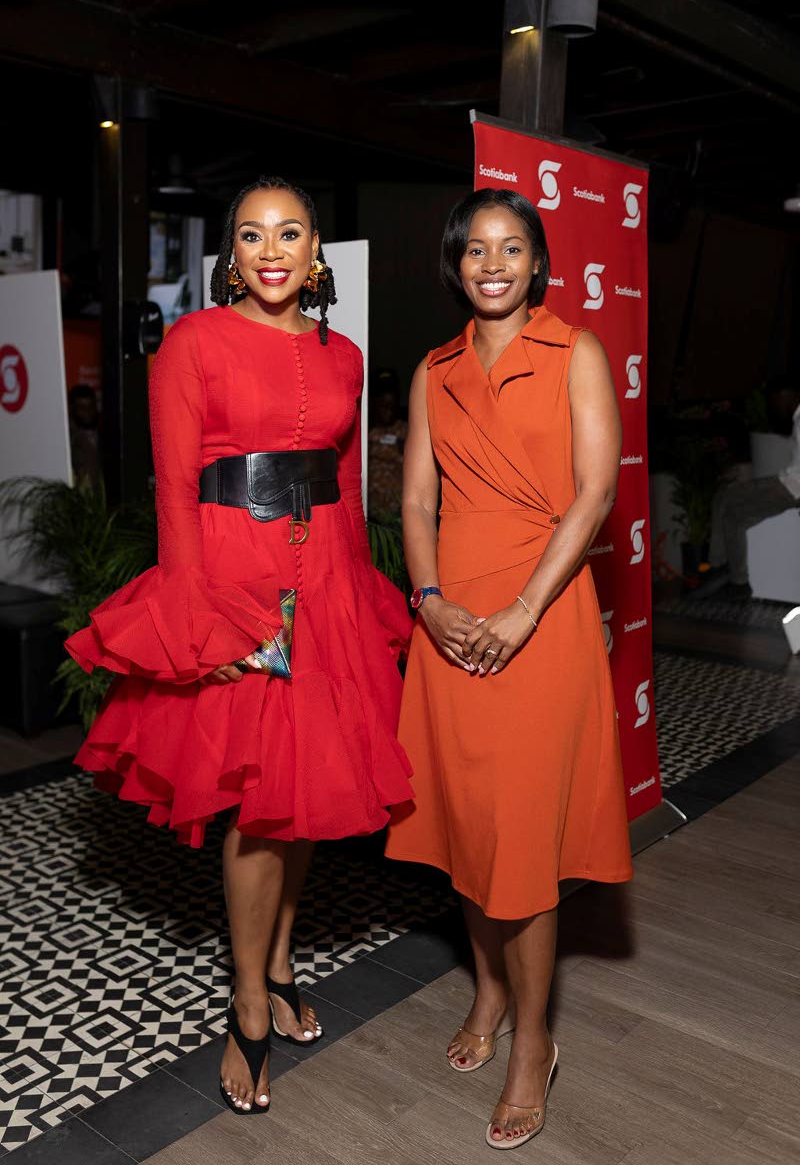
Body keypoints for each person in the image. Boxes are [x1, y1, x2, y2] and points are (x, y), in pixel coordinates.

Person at [66, 177, 413, 1117]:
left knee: (300, 793)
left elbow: (346, 487)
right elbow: (173, 493)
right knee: (258, 807)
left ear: (313, 255)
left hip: (325, 588)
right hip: (234, 583)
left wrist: (350, 612)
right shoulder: (193, 344)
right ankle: (248, 998)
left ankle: (285, 955)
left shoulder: (345, 356)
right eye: (252, 234)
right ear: (231, 253)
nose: (272, 249)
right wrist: (198, 625)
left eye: (290, 233)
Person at [385, 189, 633, 1149]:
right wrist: (431, 602)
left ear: (538, 263)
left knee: (522, 849)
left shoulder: (574, 352)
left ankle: (535, 1042)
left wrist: (524, 610)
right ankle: (487, 989)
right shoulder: (435, 369)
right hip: (448, 625)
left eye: (512, 249)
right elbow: (414, 502)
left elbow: (598, 490)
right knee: (464, 824)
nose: (493, 265)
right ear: (457, 265)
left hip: (542, 617)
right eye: (475, 250)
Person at [708, 376, 800, 599]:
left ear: (787, 397)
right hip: (787, 481)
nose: (773, 408)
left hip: (791, 489)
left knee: (733, 513)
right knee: (726, 498)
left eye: (774, 401)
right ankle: (719, 566)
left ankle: (734, 579)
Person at [367, 369, 407, 519]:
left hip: (397, 517)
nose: (387, 411)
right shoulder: (364, 431)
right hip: (371, 518)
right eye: (383, 405)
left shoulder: (407, 430)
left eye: (391, 405)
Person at [67, 383, 101, 487]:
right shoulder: (67, 440)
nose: (88, 412)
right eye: (82, 407)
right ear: (72, 408)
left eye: (91, 406)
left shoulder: (106, 434)